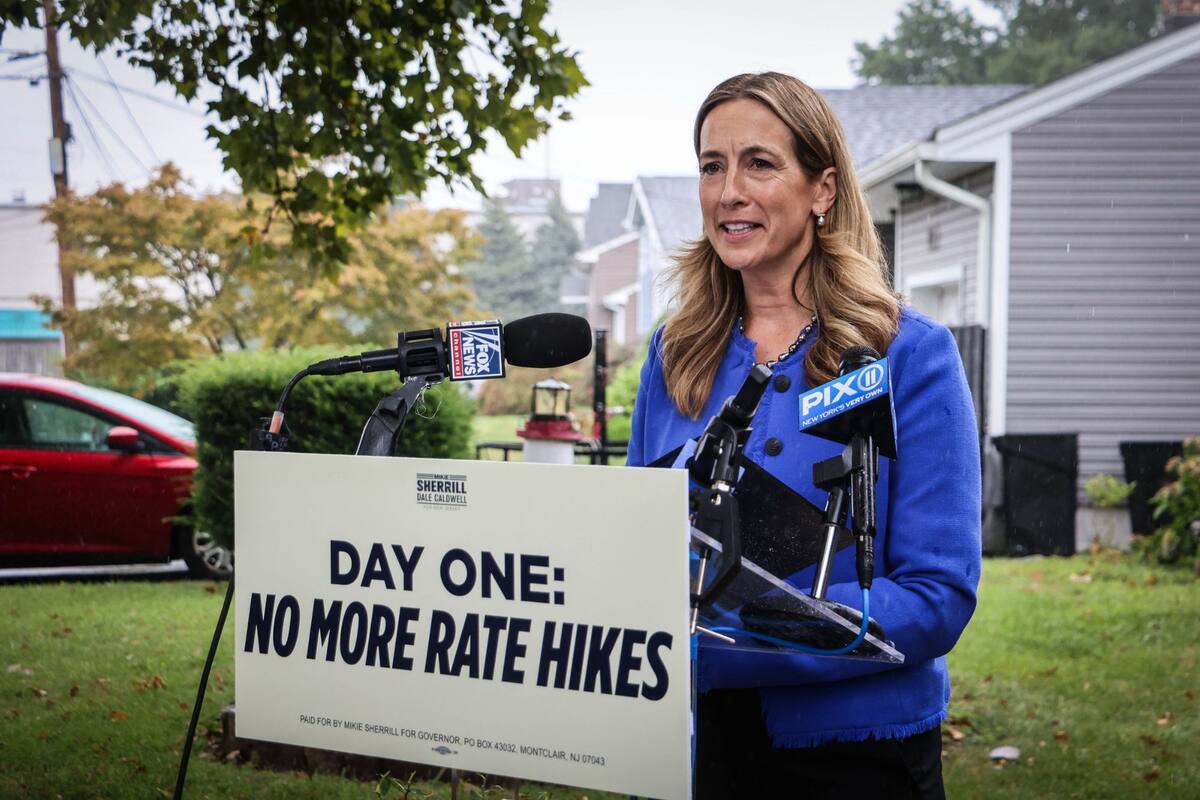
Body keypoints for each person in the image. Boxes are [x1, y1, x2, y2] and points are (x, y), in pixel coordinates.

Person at [626, 72, 982, 798]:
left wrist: (736, 645)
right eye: (711, 166)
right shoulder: (674, 354)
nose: (729, 191)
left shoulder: (905, 352)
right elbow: (631, 555)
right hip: (688, 745)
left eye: (759, 163)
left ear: (822, 189)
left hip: (854, 755)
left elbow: (938, 593)